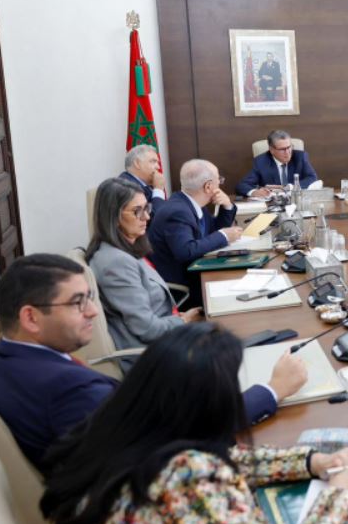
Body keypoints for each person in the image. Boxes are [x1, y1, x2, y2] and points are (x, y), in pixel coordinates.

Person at [0, 254, 307, 473]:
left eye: (90, 298)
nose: (93, 312)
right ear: (30, 317)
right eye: (78, 302)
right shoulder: (72, 392)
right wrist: (271, 391)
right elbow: (179, 440)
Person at [41, 324, 348, 524]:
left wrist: (310, 461)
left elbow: (225, 460)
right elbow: (200, 470)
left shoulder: (122, 432)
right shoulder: (184, 479)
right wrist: (344, 495)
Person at [87, 178, 199, 361]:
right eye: (137, 211)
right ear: (114, 216)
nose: (146, 217)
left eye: (147, 208)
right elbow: (147, 329)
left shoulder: (127, 249)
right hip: (154, 355)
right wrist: (184, 320)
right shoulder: (116, 263)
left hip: (169, 335)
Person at [147, 159, 242, 290]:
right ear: (208, 186)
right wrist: (223, 235)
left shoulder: (190, 202)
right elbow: (186, 251)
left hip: (197, 270)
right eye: (219, 180)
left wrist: (227, 206)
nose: (220, 183)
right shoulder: (177, 212)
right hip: (184, 284)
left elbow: (212, 231)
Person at [236, 130, 319, 198]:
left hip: (297, 201)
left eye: (289, 147)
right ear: (272, 150)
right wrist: (254, 192)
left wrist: (289, 187)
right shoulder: (261, 162)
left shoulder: (300, 157)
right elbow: (242, 185)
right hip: (273, 205)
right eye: (282, 149)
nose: (287, 152)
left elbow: (312, 178)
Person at [119, 144, 166, 213]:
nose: (158, 167)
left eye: (158, 163)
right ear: (137, 163)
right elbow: (155, 218)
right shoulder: (126, 186)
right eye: (153, 161)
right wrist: (158, 189)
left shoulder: (146, 184)